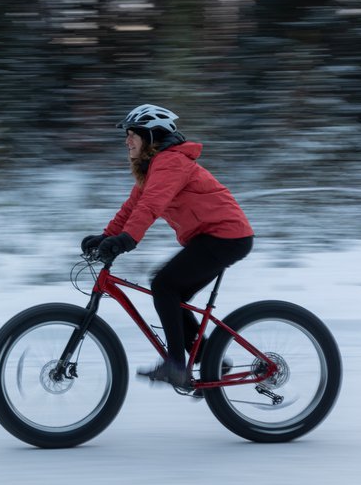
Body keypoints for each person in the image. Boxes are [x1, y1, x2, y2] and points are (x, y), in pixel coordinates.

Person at [81, 104, 254, 391]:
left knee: (164, 285)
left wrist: (126, 241)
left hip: (225, 236)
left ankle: (176, 365)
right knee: (172, 292)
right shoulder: (156, 167)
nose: (127, 141)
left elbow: (151, 206)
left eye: (132, 135)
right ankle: (212, 360)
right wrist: (105, 236)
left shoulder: (170, 162)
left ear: (151, 136)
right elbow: (132, 208)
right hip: (213, 237)